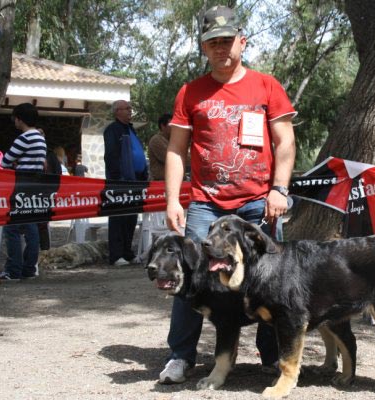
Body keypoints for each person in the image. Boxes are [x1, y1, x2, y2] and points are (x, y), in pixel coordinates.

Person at [160, 5, 296, 384]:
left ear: (242, 40)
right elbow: (176, 149)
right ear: (204, 48)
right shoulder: (190, 92)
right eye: (212, 43)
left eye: (226, 40)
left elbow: (285, 141)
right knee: (190, 276)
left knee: (270, 279)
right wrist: (174, 199)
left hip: (258, 203)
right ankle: (180, 356)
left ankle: (273, 358)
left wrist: (279, 190)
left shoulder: (267, 86)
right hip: (205, 205)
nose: (220, 48)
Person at [0, 103, 47, 280]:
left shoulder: (24, 138)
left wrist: (15, 163)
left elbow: (5, 161)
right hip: (34, 186)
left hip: (20, 186)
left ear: (19, 119)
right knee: (31, 227)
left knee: (11, 228)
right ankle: (28, 268)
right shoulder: (40, 138)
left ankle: (13, 269)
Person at [103, 100, 149, 266]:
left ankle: (127, 253)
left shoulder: (130, 129)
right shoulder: (112, 130)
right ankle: (116, 255)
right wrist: (118, 178)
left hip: (135, 180)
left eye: (130, 108)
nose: (130, 111)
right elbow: (111, 155)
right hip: (121, 181)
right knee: (119, 217)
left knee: (131, 217)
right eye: (127, 108)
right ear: (117, 112)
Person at [148, 113, 172, 181]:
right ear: (163, 126)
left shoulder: (172, 140)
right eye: (171, 125)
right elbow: (172, 159)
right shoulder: (156, 140)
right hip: (159, 183)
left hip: (170, 181)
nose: (175, 127)